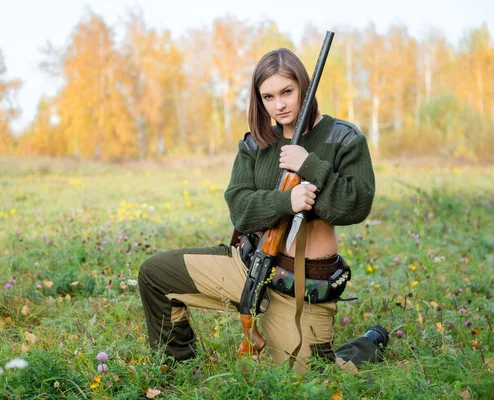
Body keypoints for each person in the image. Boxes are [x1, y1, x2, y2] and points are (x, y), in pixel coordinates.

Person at [138, 48, 388, 374]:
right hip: (249, 264)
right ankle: (179, 369)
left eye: (287, 92)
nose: (279, 105)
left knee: (307, 380)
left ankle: (368, 344)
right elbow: (240, 209)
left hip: (300, 286)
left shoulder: (343, 138)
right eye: (268, 96)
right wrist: (287, 201)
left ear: (305, 88)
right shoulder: (256, 143)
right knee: (155, 274)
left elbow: (355, 206)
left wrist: (309, 166)